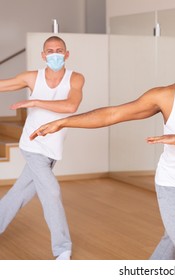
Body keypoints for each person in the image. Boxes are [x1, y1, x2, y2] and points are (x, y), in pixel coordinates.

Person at [30, 34, 175, 260]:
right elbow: (113, 114)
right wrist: (63, 121)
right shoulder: (165, 96)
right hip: (173, 185)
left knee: (171, 244)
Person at [0, 36, 85, 260]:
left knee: (18, 194)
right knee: (52, 192)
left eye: (59, 50)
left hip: (52, 150)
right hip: (32, 144)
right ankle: (62, 248)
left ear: (66, 54)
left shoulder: (75, 78)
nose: (54, 54)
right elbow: (3, 84)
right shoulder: (32, 78)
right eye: (49, 50)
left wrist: (35, 102)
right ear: (43, 55)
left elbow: (71, 105)